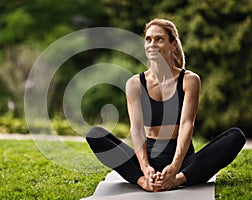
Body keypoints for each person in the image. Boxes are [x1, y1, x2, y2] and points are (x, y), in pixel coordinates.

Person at [86, 18, 246, 192]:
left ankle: (177, 181)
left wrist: (175, 167)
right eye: (148, 39)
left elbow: (186, 125)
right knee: (95, 134)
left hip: (183, 160)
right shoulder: (135, 84)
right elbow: (137, 129)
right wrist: (145, 168)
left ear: (173, 44)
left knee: (235, 136)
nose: (152, 44)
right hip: (148, 156)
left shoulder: (189, 80)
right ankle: (143, 181)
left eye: (159, 39)